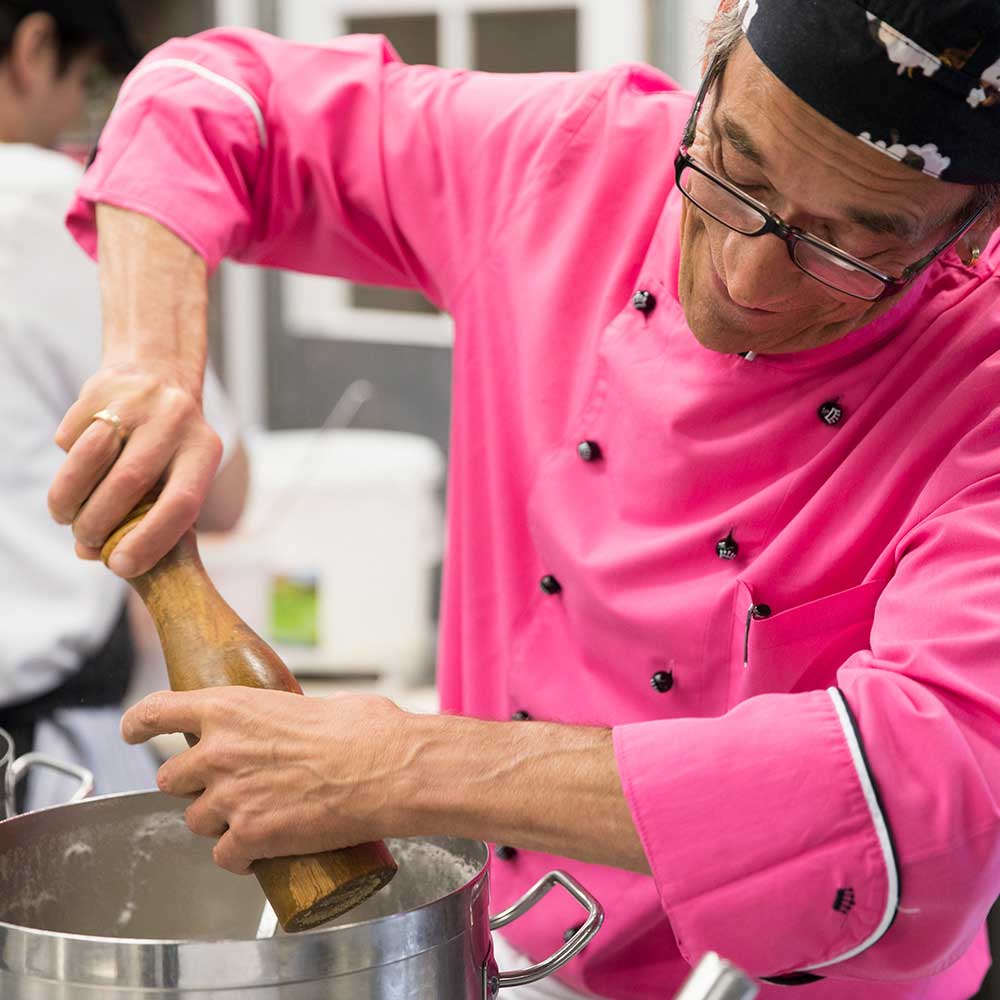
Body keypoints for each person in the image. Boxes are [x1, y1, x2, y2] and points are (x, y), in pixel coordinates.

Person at [45, 0, 1000, 996]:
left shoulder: (983, 385)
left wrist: (400, 765)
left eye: (846, 247)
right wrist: (154, 363)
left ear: (976, 227)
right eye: (733, 174)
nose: (746, 275)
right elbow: (203, 95)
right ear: (711, 51)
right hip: (514, 952)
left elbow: (934, 785)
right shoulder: (572, 163)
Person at [0, 0, 248, 812]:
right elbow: (215, 488)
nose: (76, 112)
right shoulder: (40, 202)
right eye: (80, 80)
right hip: (37, 772)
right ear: (33, 48)